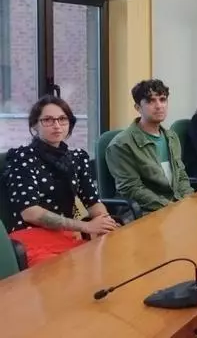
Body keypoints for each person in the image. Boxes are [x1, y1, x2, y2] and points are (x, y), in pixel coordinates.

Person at [2, 96, 117, 266]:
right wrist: (85, 227)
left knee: (114, 254)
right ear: (35, 125)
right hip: (31, 237)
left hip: (67, 235)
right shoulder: (22, 158)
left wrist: (104, 223)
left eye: (62, 119)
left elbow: (93, 202)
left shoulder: (77, 158)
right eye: (48, 120)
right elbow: (30, 213)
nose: (57, 125)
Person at [106, 79, 194, 213]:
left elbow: (181, 175)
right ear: (137, 107)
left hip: (174, 206)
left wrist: (189, 199)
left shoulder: (171, 137)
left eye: (162, 99)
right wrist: (169, 206)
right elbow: (132, 189)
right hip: (145, 211)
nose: (159, 106)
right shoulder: (121, 144)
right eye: (151, 101)